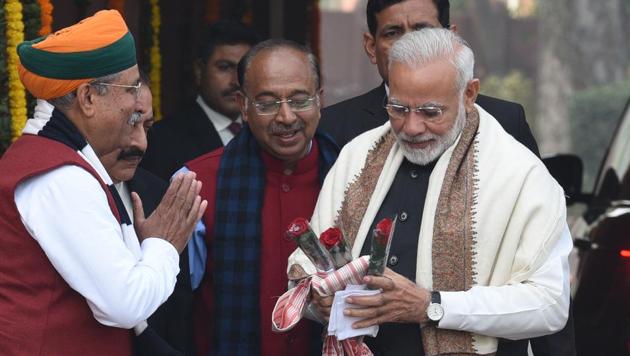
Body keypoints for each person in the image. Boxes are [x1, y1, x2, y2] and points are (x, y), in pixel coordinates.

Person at [289, 29, 572, 356]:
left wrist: (433, 306)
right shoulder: (357, 156)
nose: (411, 127)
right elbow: (307, 266)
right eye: (397, 108)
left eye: (430, 112)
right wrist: (317, 299)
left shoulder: (520, 175)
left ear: (469, 94)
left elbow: (550, 303)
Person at [0, 10, 206, 355]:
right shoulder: (59, 177)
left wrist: (142, 248)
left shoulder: (59, 159)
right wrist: (164, 244)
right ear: (88, 98)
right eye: (129, 90)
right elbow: (124, 305)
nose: (135, 104)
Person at [182, 39, 339, 355]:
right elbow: (174, 304)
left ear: (320, 100)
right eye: (267, 103)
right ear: (243, 105)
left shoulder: (350, 176)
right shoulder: (195, 184)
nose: (286, 117)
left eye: (299, 100)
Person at [319, 0, 539, 158]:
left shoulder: (506, 122)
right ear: (371, 47)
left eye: (422, 30)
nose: (408, 45)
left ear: (451, 37)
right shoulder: (334, 128)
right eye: (393, 33)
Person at [140, 20, 261, 180]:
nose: (236, 81)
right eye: (224, 67)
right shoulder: (162, 140)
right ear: (199, 71)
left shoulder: (262, 130)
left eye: (244, 70)